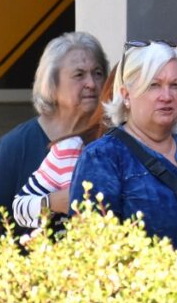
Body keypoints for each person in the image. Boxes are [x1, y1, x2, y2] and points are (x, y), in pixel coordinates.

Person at [70, 41, 177, 250]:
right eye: (154, 85)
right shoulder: (103, 157)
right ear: (126, 95)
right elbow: (91, 250)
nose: (166, 96)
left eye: (174, 85)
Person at [0, 31, 108, 239]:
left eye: (97, 73)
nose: (91, 83)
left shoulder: (112, 139)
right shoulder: (16, 145)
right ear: (52, 84)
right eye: (79, 75)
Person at [12, 66, 115, 229]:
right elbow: (20, 208)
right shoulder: (73, 148)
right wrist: (54, 201)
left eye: (172, 85)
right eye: (79, 75)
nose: (165, 96)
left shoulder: (169, 147)